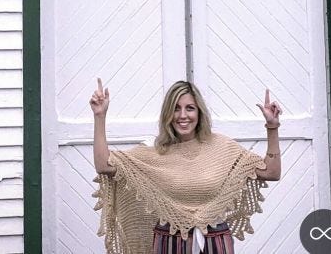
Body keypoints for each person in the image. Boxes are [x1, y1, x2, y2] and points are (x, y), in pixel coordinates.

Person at [90, 78, 282, 254]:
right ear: (167, 113)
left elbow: (271, 172)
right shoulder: (153, 153)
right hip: (168, 243)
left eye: (190, 108)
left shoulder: (222, 148)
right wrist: (100, 116)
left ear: (199, 111)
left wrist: (272, 127)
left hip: (215, 243)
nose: (183, 115)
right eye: (176, 108)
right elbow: (104, 165)